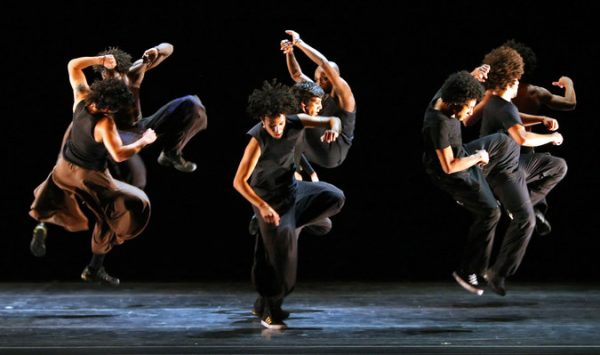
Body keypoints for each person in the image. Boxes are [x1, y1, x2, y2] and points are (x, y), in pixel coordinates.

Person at [30, 43, 208, 255]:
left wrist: (156, 51)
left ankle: (171, 153)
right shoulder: (96, 102)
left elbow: (169, 48)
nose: (110, 77)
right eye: (106, 73)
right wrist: (100, 61)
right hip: (112, 135)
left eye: (114, 72)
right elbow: (116, 151)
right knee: (76, 165)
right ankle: (54, 224)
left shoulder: (135, 71)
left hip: (137, 127)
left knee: (192, 104)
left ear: (124, 70)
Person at [29, 54, 157, 286]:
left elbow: (73, 65)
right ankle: (94, 267)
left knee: (55, 186)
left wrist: (101, 59)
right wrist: (143, 142)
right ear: (110, 107)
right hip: (89, 177)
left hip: (63, 169)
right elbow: (119, 154)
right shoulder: (104, 123)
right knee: (118, 210)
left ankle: (41, 224)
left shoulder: (82, 97)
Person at [233, 80, 345, 329]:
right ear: (263, 120)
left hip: (293, 191)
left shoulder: (296, 121)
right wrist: (262, 207)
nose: (278, 129)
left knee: (334, 196)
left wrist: (334, 127)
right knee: (282, 257)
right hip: (269, 201)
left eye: (281, 123)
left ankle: (287, 225)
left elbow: (330, 120)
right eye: (273, 126)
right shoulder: (258, 139)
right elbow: (239, 182)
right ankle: (271, 311)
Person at [423, 70, 535, 296]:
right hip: (451, 173)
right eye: (468, 107)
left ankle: (498, 181)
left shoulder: (444, 96)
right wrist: (478, 158)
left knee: (503, 141)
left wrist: (475, 73)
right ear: (456, 104)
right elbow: (449, 166)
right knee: (491, 212)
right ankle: (468, 271)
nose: (471, 112)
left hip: (460, 154)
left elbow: (455, 82)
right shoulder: (439, 124)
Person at [479, 46, 567, 238]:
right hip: (503, 168)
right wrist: (568, 83)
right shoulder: (531, 94)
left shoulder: (494, 101)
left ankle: (524, 205)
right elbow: (523, 136)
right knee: (544, 160)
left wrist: (540, 118)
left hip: (501, 162)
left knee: (554, 163)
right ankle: (520, 206)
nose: (519, 83)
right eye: (516, 79)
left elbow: (512, 116)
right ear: (511, 79)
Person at [503, 39, 575, 235]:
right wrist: (568, 83)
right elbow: (570, 103)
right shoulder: (534, 92)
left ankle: (529, 208)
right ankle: (528, 207)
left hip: (508, 147)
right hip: (516, 146)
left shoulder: (497, 92)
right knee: (547, 163)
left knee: (546, 163)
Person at [280, 30, 356, 169]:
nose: (319, 82)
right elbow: (297, 74)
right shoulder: (317, 91)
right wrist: (290, 52)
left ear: (334, 77)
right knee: (298, 100)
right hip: (312, 150)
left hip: (334, 152)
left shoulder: (345, 97)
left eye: (324, 78)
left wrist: (299, 43)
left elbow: (325, 64)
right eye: (316, 79)